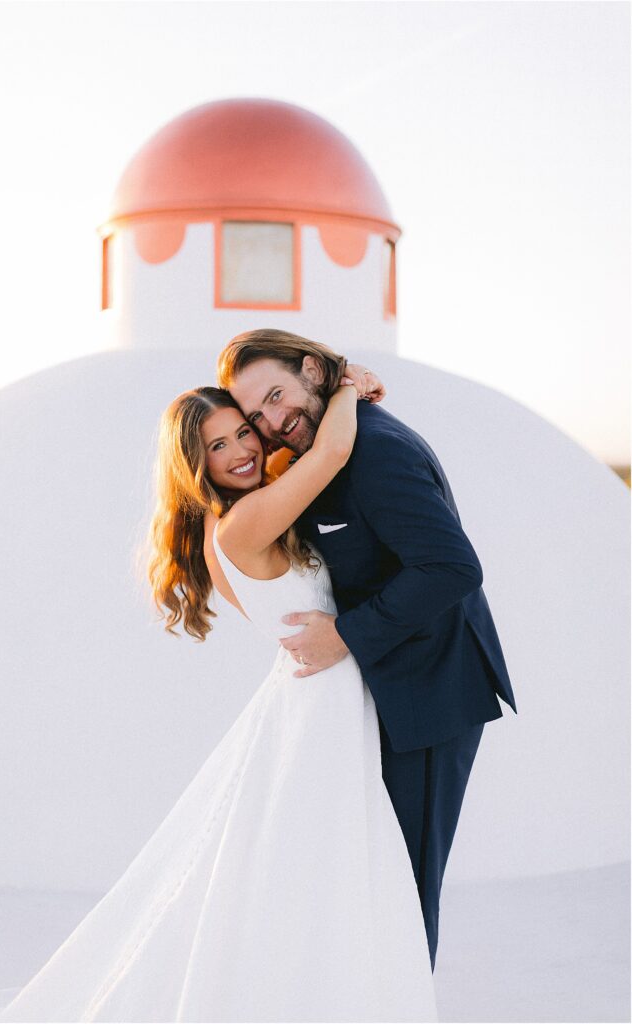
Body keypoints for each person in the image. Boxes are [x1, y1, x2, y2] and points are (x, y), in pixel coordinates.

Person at [0, 363, 438, 1023]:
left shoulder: (241, 510)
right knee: (319, 867)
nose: (240, 452)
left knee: (321, 866)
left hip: (321, 696)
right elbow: (333, 450)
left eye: (241, 433)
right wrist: (345, 386)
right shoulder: (240, 525)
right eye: (216, 446)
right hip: (320, 706)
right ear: (191, 464)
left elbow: (304, 457)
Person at [217, 328, 518, 972]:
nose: (272, 420)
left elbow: (452, 567)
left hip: (427, 698)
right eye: (255, 415)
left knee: (403, 893)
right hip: (378, 697)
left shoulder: (376, 451)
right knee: (367, 885)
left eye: (276, 395)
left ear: (309, 369)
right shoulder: (325, 442)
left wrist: (346, 635)